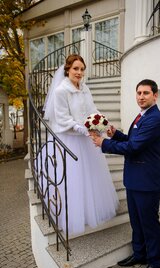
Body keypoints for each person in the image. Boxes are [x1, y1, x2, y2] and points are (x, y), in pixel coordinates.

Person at [91, 79, 160, 268]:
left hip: (147, 182)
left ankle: (154, 262)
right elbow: (132, 141)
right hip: (134, 180)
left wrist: (103, 143)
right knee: (136, 222)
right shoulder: (141, 116)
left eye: (146, 93)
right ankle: (139, 254)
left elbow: (133, 148)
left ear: (155, 96)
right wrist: (116, 134)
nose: (141, 96)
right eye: (139, 93)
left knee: (149, 223)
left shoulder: (155, 119)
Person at [42, 54, 118, 236]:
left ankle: (89, 210)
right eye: (75, 68)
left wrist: (104, 125)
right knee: (74, 180)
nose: (79, 72)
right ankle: (72, 214)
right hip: (71, 140)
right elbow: (63, 119)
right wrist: (85, 130)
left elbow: (93, 111)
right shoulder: (61, 91)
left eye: (82, 69)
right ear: (67, 69)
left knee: (90, 177)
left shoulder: (85, 88)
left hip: (86, 138)